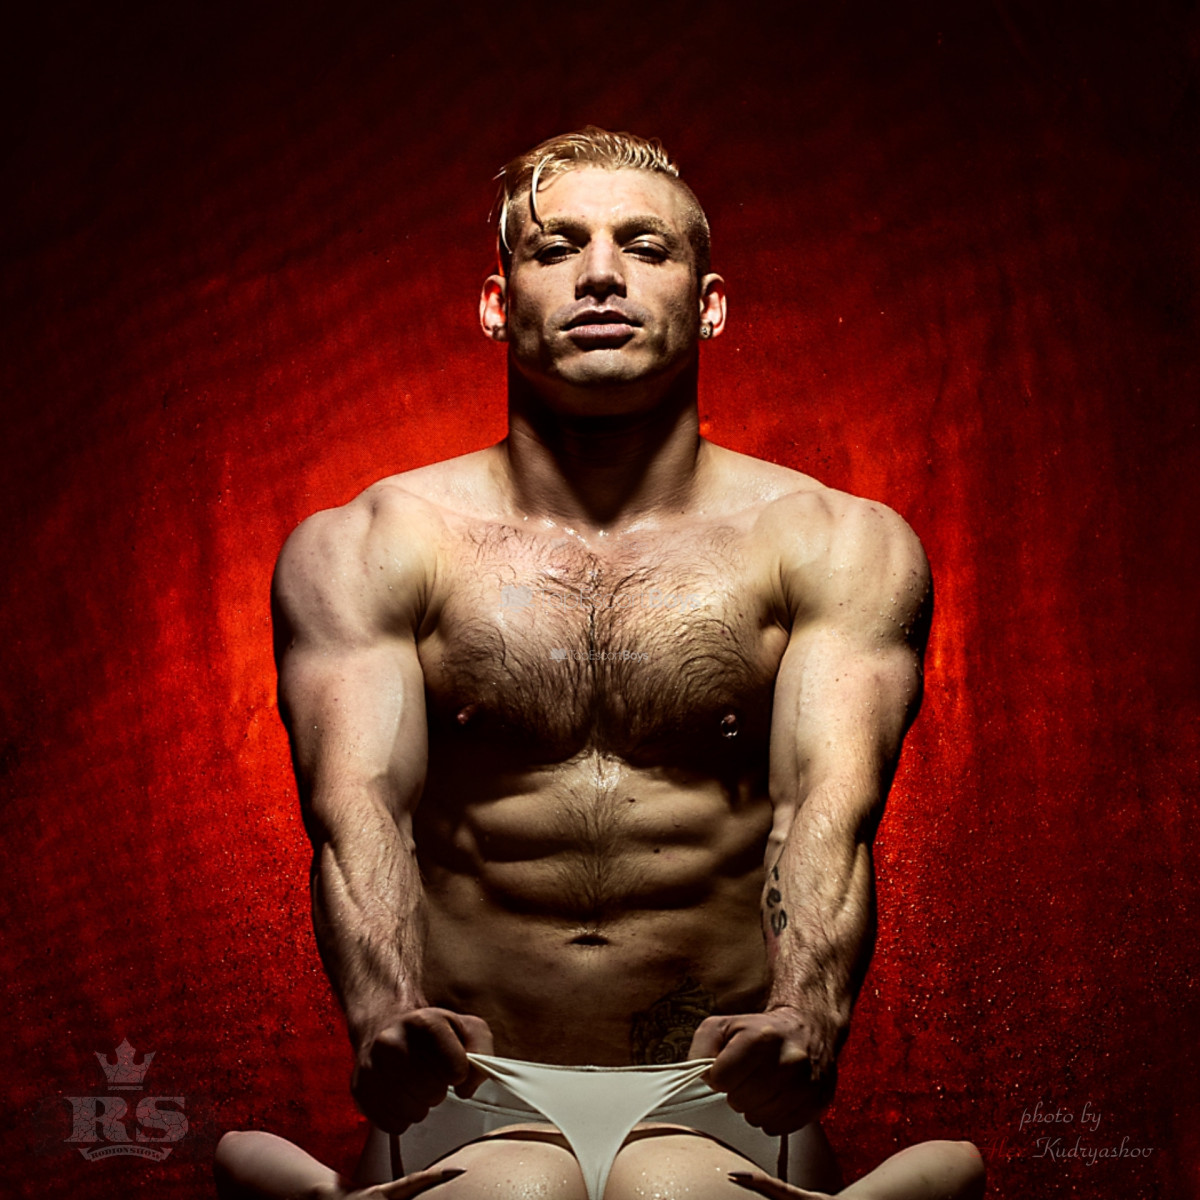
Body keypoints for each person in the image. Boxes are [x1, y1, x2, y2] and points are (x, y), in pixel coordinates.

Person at [215, 128, 984, 1200]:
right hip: (466, 1086)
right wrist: (383, 1018)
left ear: (710, 305)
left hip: (723, 1087)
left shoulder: (833, 543)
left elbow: (825, 809)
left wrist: (808, 1016)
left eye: (645, 246)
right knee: (511, 1199)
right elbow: (359, 810)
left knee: (670, 1195)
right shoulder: (374, 544)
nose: (602, 275)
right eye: (556, 246)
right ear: (497, 304)